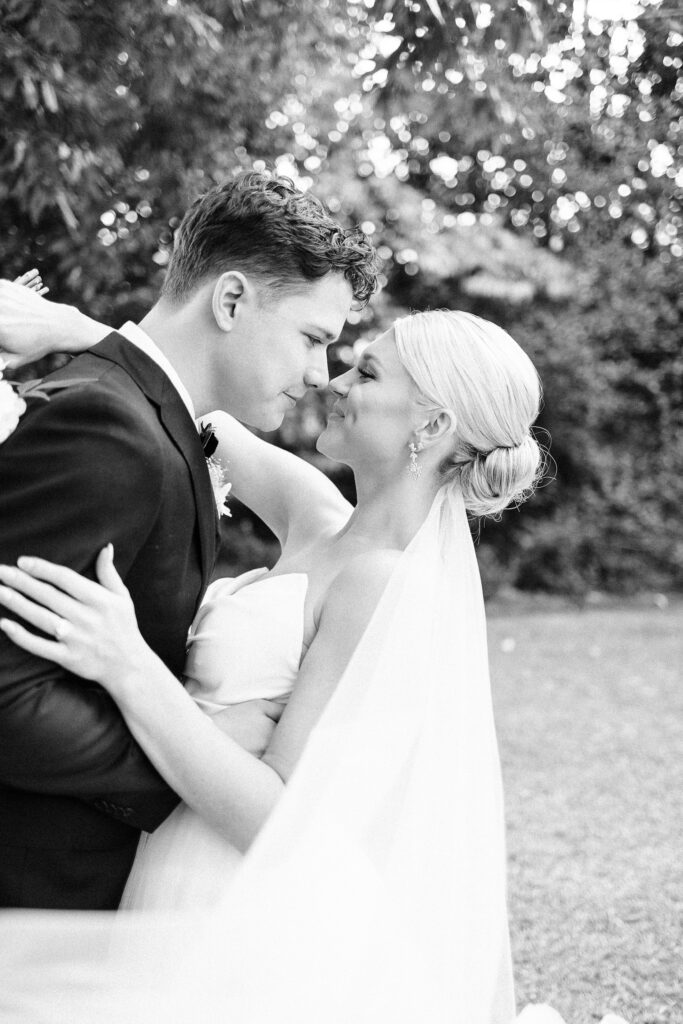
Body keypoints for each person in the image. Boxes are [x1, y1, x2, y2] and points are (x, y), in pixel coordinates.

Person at [0, 304, 543, 1022]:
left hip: (233, 901)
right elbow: (187, 401)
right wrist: (72, 331)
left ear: (432, 426)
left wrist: (128, 665)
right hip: (166, 853)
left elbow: (277, 822)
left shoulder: (382, 586)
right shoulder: (316, 514)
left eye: (367, 371)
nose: (333, 380)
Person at [0, 170, 378, 910]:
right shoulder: (112, 428)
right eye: (312, 338)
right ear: (231, 299)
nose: (317, 374)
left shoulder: (161, 423)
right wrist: (188, 764)